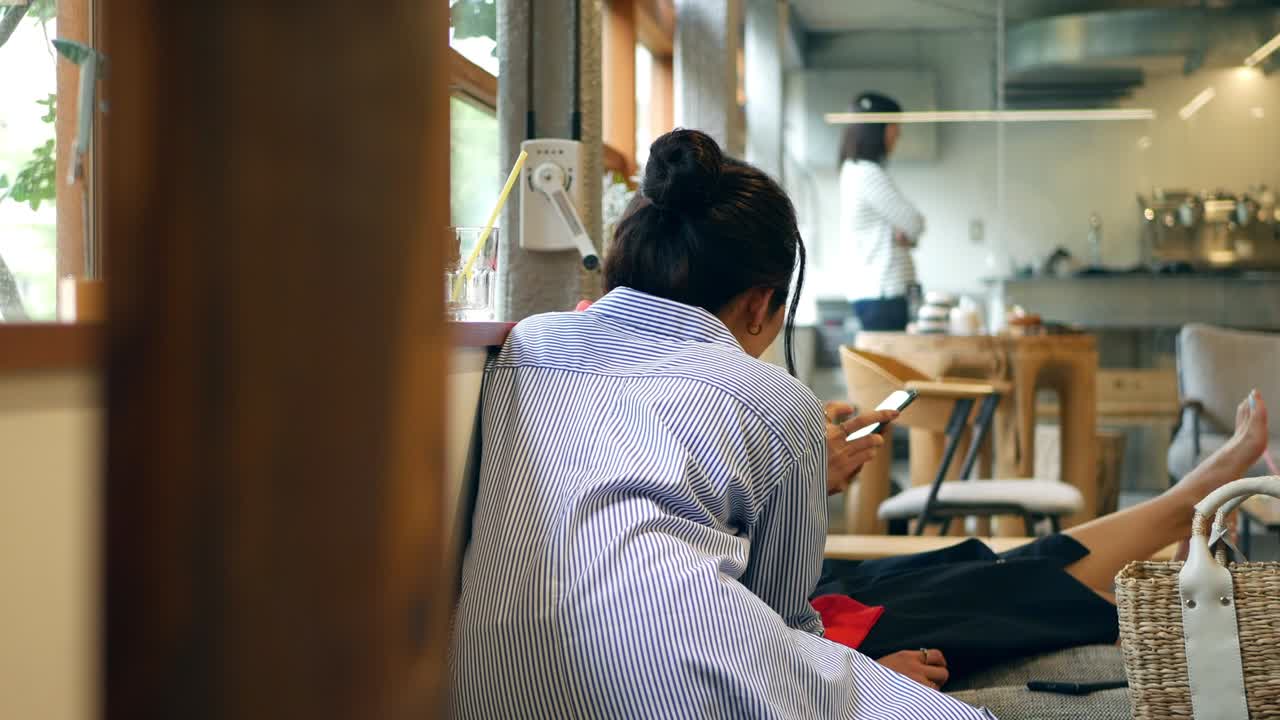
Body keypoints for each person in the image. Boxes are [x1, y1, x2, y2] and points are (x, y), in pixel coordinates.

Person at [452, 129, 993, 719]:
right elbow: (787, 617)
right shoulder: (778, 401)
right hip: (690, 683)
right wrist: (864, 679)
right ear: (761, 304)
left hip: (487, 688)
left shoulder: (528, 346)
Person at [819, 390, 1269, 689]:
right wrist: (859, 679)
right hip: (820, 641)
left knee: (975, 568)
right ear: (762, 307)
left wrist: (809, 478)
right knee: (973, 592)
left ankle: (1179, 518)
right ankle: (1169, 587)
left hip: (815, 603)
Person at [839, 92, 924, 332]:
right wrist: (906, 233)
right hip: (883, 293)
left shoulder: (854, 171)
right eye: (894, 126)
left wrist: (904, 233)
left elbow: (907, 227)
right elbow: (914, 222)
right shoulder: (866, 173)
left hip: (878, 293)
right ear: (879, 129)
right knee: (888, 367)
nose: (898, 134)